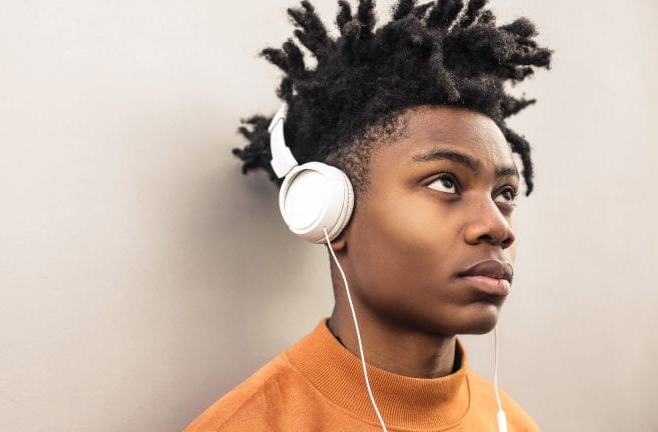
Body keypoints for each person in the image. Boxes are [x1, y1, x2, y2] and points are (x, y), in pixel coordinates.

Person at [186, 0, 552, 430]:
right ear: (329, 211)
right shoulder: (249, 425)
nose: (498, 226)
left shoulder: (514, 423)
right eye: (445, 183)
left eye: (505, 193)